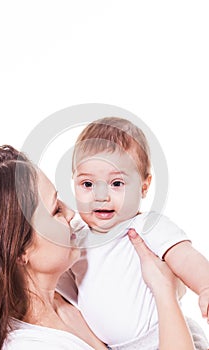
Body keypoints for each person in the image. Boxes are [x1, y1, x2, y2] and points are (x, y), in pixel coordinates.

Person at [0, 145, 199, 350]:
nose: (71, 213)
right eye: (56, 211)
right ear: (20, 251)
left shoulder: (65, 296)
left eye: (60, 200)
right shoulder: (32, 345)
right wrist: (164, 292)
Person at [57, 117, 209, 349]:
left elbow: (184, 256)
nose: (100, 195)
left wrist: (205, 286)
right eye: (87, 184)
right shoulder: (76, 236)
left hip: (161, 336)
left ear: (144, 187)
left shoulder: (146, 226)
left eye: (116, 183)